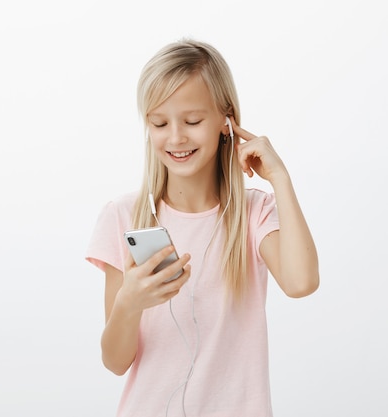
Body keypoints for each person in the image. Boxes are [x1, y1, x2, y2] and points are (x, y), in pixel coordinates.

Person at [85, 39, 319, 417]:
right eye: (159, 123)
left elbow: (302, 282)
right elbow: (115, 361)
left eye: (192, 121)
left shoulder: (254, 211)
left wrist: (280, 178)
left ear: (226, 122)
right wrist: (129, 303)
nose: (175, 137)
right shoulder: (123, 216)